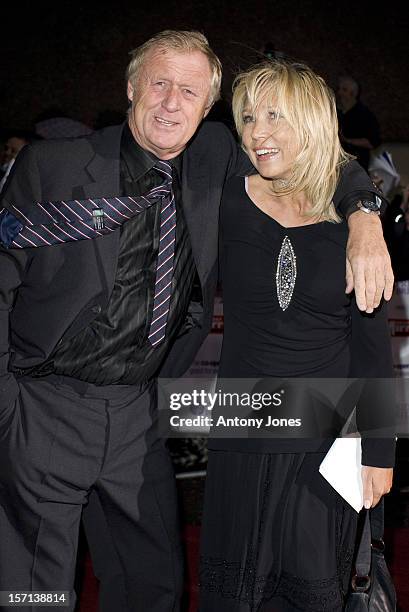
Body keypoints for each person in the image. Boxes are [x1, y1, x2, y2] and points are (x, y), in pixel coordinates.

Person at [0, 30, 393, 612]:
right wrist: (8, 405)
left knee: (154, 584)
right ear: (132, 87)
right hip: (46, 408)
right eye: (159, 84)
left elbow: (323, 161)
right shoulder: (54, 164)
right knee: (36, 591)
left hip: (148, 413)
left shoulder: (216, 163)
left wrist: (366, 217)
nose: (170, 103)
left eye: (189, 91)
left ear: (207, 110)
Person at [199, 60, 395, 612]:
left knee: (310, 593)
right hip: (243, 427)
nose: (257, 132)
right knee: (235, 594)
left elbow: (371, 345)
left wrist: (379, 450)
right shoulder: (227, 196)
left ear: (310, 120)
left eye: (274, 116)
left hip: (324, 438)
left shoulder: (349, 221)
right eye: (248, 117)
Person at [336, 75, 381, 171]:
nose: (339, 92)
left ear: (353, 94)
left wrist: (347, 141)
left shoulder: (364, 115)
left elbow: (373, 142)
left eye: (344, 90)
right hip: (337, 166)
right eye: (339, 89)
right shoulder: (336, 112)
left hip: (357, 166)